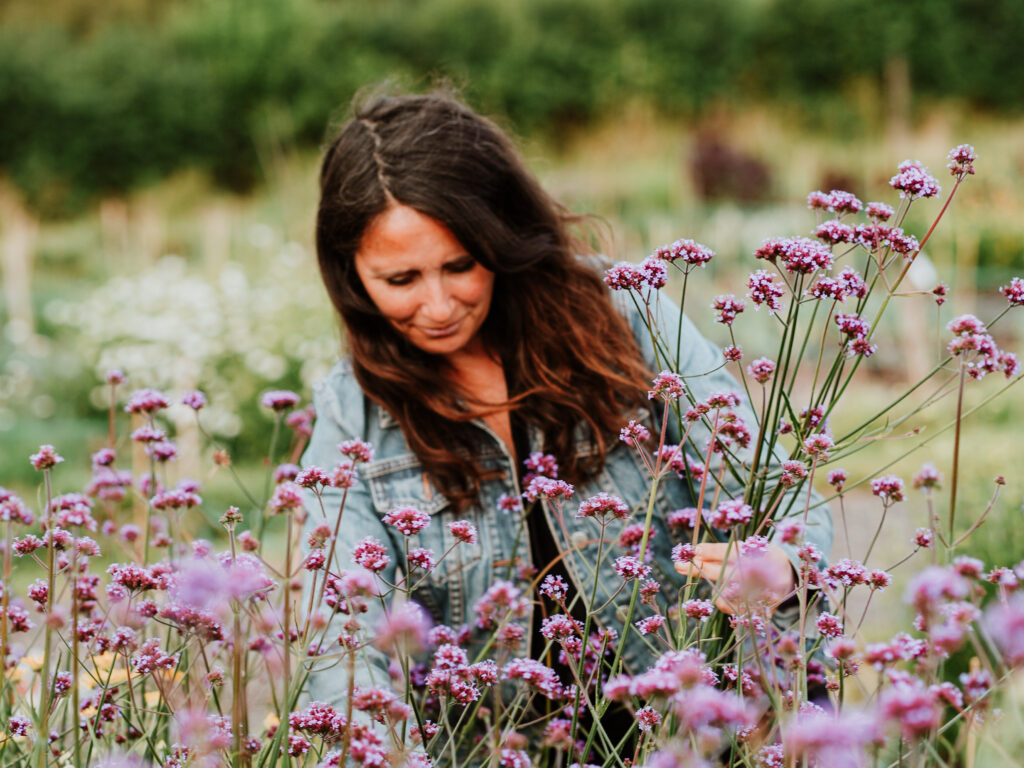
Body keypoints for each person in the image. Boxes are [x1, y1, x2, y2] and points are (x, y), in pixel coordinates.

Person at [301, 90, 832, 755]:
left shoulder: (624, 317)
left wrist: (781, 561)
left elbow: (769, 486)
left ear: (500, 235)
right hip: (506, 748)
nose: (437, 305)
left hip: (708, 727)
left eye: (460, 266)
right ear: (351, 274)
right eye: (401, 279)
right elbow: (339, 635)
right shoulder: (352, 408)